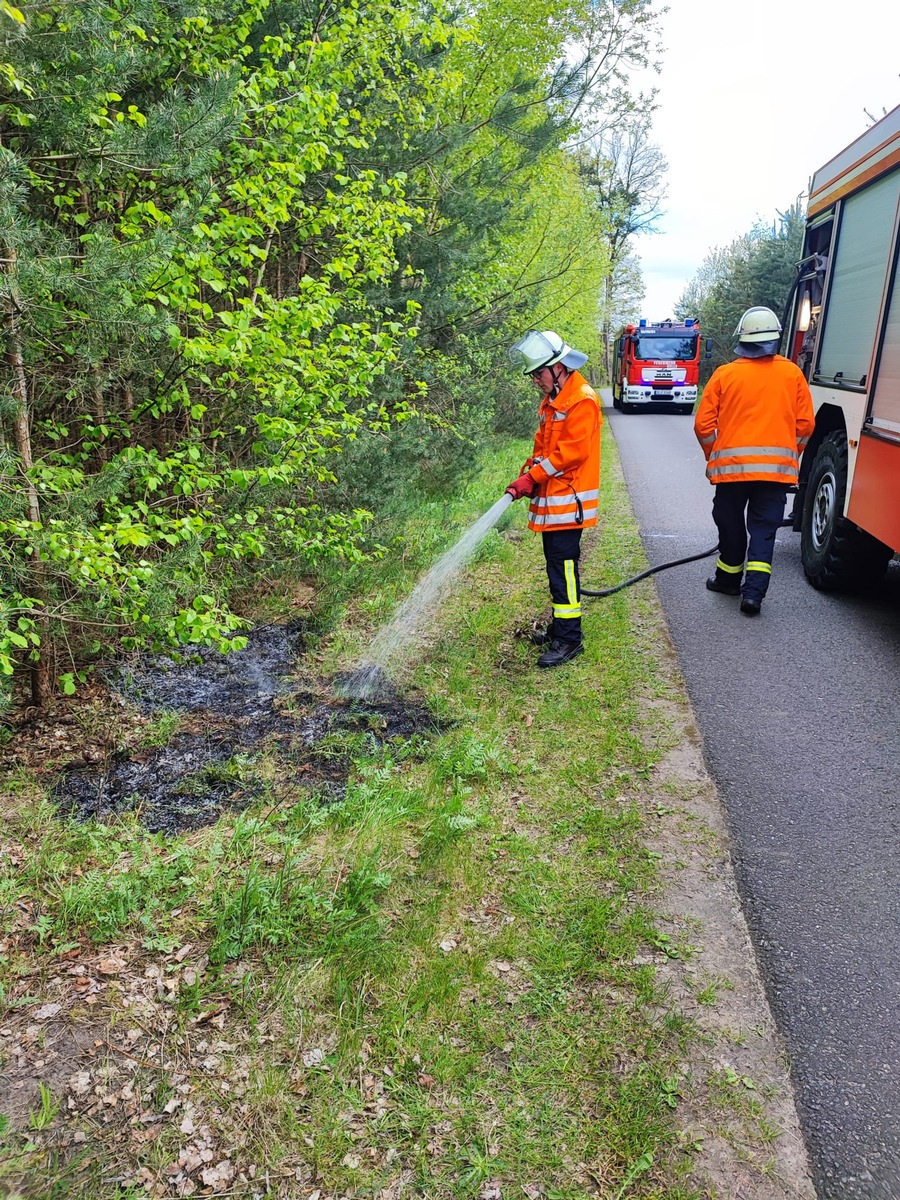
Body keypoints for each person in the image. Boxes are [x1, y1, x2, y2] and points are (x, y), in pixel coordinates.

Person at [694, 306, 815, 616]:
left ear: (743, 340)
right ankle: (753, 596)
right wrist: (789, 454)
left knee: (730, 524)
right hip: (775, 476)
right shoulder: (792, 374)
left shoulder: (725, 375)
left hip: (731, 474)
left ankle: (728, 581)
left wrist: (715, 458)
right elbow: (805, 426)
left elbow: (703, 426)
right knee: (763, 531)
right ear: (775, 339)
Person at [505, 330, 601, 666]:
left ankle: (570, 640)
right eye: (532, 375)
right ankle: (561, 629)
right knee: (556, 567)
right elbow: (544, 449)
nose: (535, 381)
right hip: (553, 501)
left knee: (564, 570)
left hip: (568, 503)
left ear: (559, 367)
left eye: (539, 373)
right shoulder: (554, 400)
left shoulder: (582, 400)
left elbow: (570, 454)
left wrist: (533, 477)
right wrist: (527, 473)